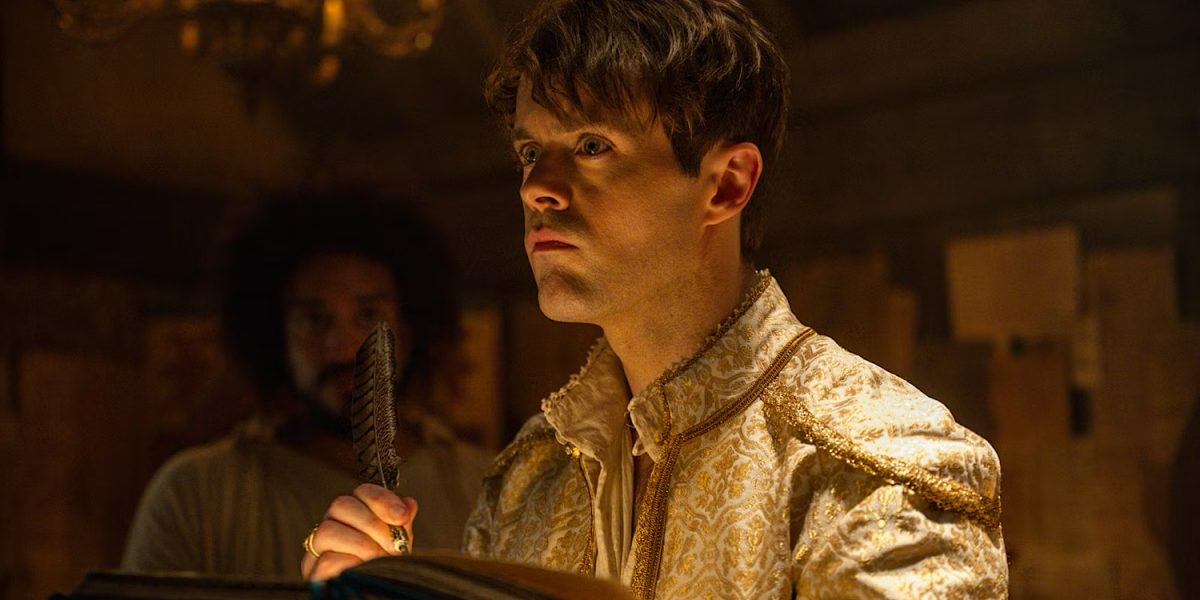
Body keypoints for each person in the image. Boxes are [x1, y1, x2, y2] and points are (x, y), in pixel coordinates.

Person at [300, 1, 1008, 597]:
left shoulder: (877, 463)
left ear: (726, 184)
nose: (536, 187)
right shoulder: (528, 481)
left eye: (591, 145)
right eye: (529, 151)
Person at [122, 192, 492, 577]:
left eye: (368, 315)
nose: (344, 347)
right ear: (278, 339)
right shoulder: (193, 494)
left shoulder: (487, 488)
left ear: (408, 331)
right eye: (315, 320)